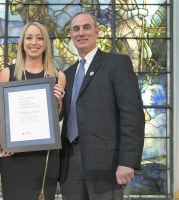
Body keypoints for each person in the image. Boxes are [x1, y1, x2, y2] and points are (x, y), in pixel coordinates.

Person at [59, 11, 145, 200]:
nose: (81, 33)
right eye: (76, 29)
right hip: (70, 162)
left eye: (86, 27)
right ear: (71, 35)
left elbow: (132, 115)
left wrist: (127, 162)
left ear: (97, 32)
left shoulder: (116, 64)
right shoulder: (67, 74)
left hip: (106, 164)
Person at [0, 22, 66, 200]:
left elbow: (58, 116)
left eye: (39, 38)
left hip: (44, 157)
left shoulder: (58, 76)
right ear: (22, 42)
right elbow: (1, 114)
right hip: (14, 156)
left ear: (45, 44)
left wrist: (57, 101)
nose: (33, 42)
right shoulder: (7, 73)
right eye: (29, 37)